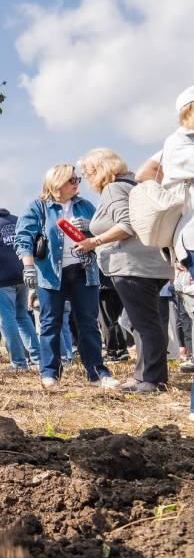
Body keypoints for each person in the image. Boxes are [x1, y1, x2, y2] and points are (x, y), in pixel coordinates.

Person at [79, 148, 171, 392]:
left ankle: (152, 379)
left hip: (132, 266)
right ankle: (146, 376)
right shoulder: (131, 184)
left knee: (144, 324)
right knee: (146, 323)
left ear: (99, 170)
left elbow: (127, 224)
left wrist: (94, 241)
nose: (86, 179)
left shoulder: (113, 189)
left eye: (86, 173)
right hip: (153, 264)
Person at [15, 163, 112, 389]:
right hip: (50, 274)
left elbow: (103, 231)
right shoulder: (38, 207)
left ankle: (97, 372)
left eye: (77, 179)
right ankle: (50, 373)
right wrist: (28, 267)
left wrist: (91, 228)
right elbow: (23, 238)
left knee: (88, 323)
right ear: (57, 182)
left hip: (84, 271)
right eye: (72, 180)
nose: (77, 184)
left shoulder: (85, 205)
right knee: (50, 323)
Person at [0, 201, 40, 369]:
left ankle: (18, 363)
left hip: (0, 277)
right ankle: (38, 358)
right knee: (22, 317)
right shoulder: (16, 219)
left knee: (7, 320)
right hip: (22, 274)